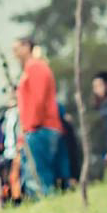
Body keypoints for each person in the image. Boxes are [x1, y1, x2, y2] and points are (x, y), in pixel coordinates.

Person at [14, 38, 67, 194]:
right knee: (41, 175)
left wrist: (32, 126)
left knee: (39, 177)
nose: (14, 53)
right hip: (39, 128)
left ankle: (47, 208)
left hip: (40, 128)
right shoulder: (31, 68)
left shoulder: (35, 67)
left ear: (27, 47)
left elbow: (39, 98)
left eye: (16, 48)